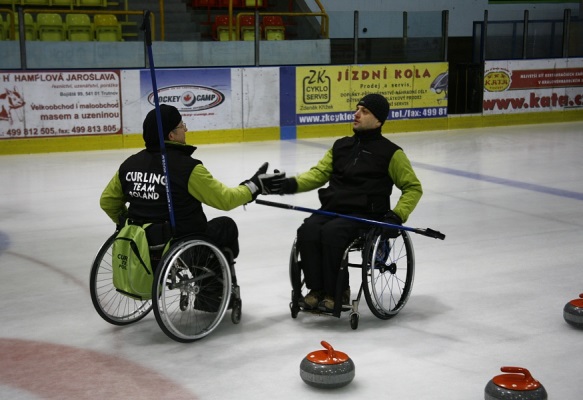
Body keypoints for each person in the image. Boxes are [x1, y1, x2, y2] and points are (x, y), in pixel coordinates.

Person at [274, 94, 423, 312]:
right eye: (357, 109)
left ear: (379, 120)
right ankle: (316, 290)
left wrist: (397, 215)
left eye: (364, 111)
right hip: (333, 209)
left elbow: (413, 187)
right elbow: (317, 174)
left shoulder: (392, 153)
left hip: (364, 215)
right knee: (307, 230)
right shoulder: (341, 146)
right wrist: (289, 185)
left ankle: (339, 292)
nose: (356, 114)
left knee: (333, 233)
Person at [100, 104, 283, 259]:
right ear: (171, 135)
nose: (185, 129)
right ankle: (213, 293)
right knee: (226, 227)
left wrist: (129, 225)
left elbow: (107, 201)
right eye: (182, 126)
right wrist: (253, 186)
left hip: (140, 246)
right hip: (180, 245)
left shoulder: (129, 165)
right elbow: (225, 200)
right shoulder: (187, 168)